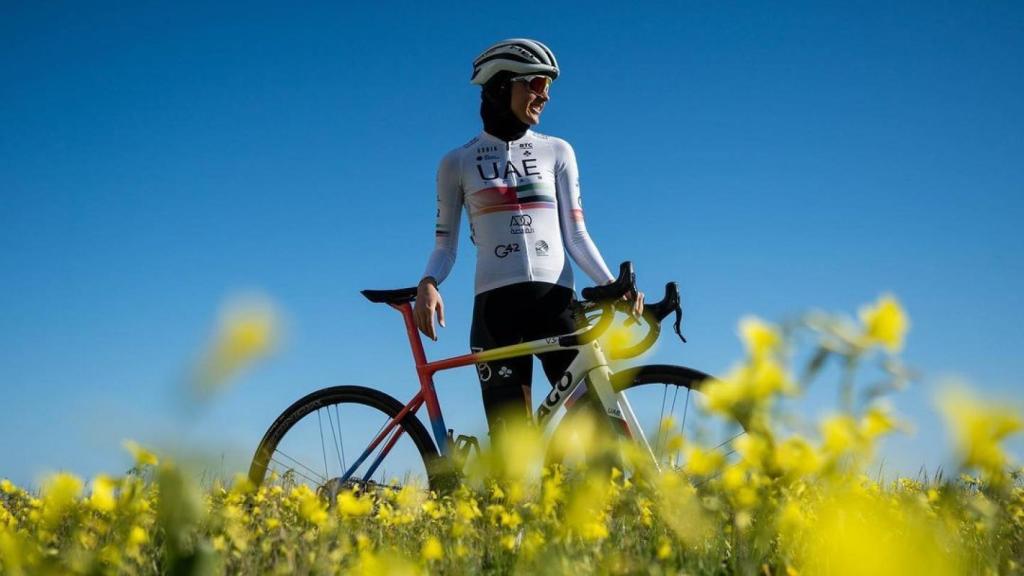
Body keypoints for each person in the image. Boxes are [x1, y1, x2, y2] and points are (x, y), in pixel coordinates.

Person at [414, 38, 643, 439]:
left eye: (549, 88)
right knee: (512, 457)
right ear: (503, 86)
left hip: (556, 304)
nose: (545, 96)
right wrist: (428, 283)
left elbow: (577, 235)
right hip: (497, 311)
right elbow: (444, 245)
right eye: (536, 84)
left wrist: (611, 285)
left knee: (601, 440)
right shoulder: (457, 162)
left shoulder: (558, 151)